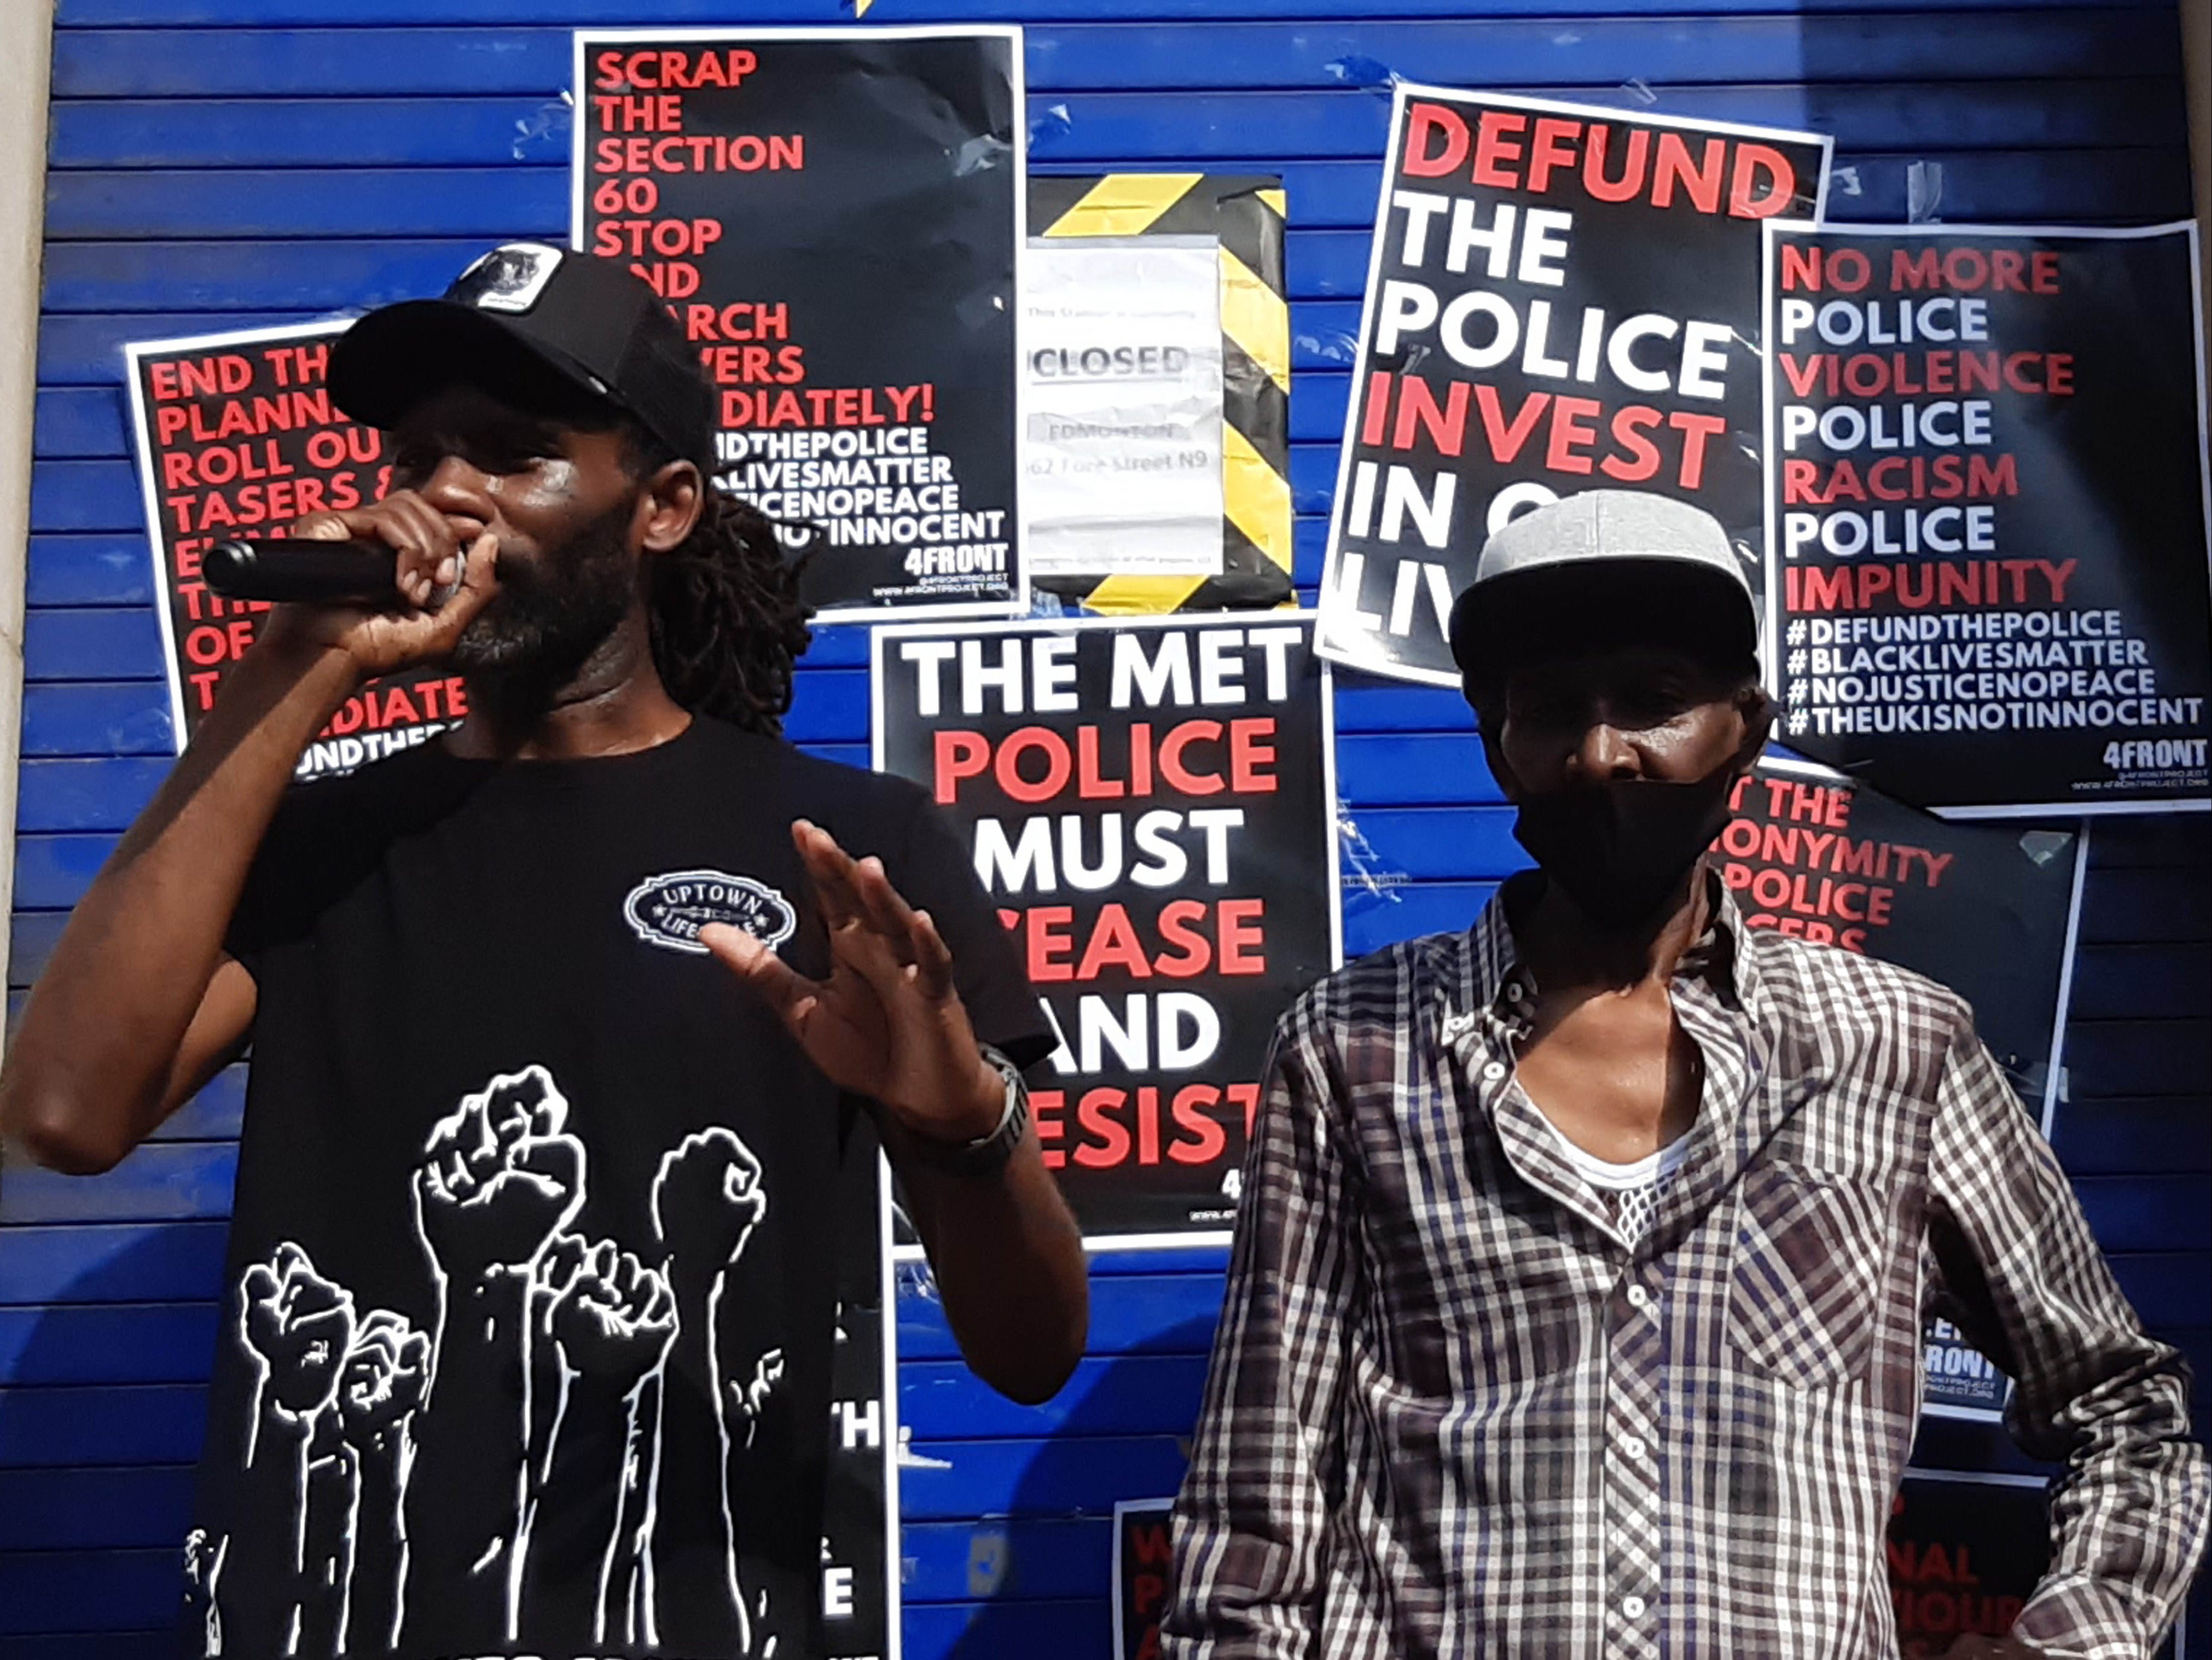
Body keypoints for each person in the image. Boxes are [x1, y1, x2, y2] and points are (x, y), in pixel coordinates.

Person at [0, 242, 1088, 1660]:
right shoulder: (324, 842)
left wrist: (958, 1128)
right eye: (419, 454)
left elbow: (1030, 1349)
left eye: (515, 455)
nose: (447, 494)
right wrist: (295, 665)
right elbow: (61, 1111)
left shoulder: (845, 844)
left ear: (664, 508)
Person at [1162, 489, 2206, 1658]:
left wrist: (2067, 1644)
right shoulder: (1355, 1049)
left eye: (1655, 704)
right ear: (1491, 735)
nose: (1601, 755)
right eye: (1552, 711)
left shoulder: (1894, 1047)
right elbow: (1255, 1508)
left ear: (1744, 728)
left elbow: (2125, 1411)